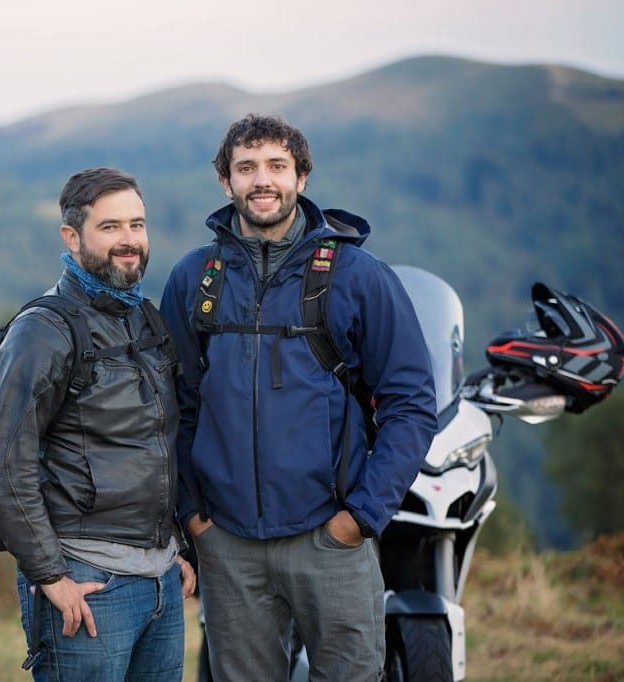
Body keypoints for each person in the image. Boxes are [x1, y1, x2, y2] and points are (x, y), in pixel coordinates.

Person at [160, 114, 438, 681]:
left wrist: (361, 516)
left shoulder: (358, 276)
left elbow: (410, 403)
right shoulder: (196, 280)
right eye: (246, 168)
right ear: (226, 181)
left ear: (302, 177)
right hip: (229, 544)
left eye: (276, 166)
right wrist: (193, 517)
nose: (262, 180)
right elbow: (173, 409)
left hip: (330, 539)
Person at [0, 167, 196, 681]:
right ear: (72, 237)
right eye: (110, 227)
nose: (129, 241)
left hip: (158, 578)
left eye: (137, 225)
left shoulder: (147, 321)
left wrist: (173, 547)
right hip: (88, 583)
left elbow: (158, 441)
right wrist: (50, 575)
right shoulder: (44, 331)